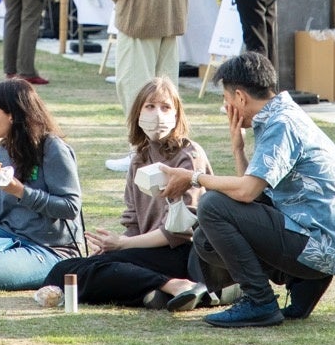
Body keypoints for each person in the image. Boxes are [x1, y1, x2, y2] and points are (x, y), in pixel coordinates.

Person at [160, 53, 335, 328]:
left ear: (240, 97)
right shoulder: (281, 116)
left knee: (211, 206)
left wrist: (194, 178)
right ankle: (303, 282)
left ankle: (260, 301)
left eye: (226, 99)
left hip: (315, 244)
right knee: (205, 239)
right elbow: (254, 194)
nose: (225, 106)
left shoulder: (281, 124)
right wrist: (238, 148)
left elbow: (247, 193)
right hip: (318, 242)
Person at [34, 77, 211, 311]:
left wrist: (124, 244)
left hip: (183, 254)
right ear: (138, 113)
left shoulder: (188, 155)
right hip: (147, 251)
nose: (157, 114)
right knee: (64, 271)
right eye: (150, 106)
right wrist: (115, 246)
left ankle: (175, 285)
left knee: (84, 272)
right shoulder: (139, 159)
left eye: (165, 107)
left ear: (177, 114)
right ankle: (157, 289)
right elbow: (133, 221)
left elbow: (180, 232)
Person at [0, 79, 82, 289]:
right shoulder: (2, 151)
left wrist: (20, 191)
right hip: (7, 236)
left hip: (50, 249)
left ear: (12, 115)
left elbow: (70, 207)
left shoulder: (52, 148)